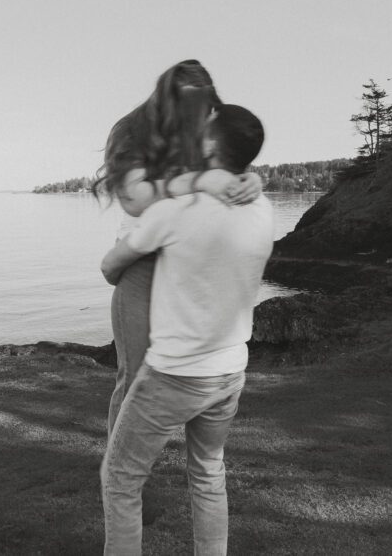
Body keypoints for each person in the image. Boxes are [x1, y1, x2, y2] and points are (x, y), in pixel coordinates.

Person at [99, 104, 274, 555]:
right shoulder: (265, 210)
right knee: (209, 471)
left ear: (212, 143)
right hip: (231, 369)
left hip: (176, 374)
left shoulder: (179, 210)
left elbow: (111, 267)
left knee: (119, 479)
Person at [94, 60, 262, 438]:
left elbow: (230, 164)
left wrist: (251, 179)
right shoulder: (132, 131)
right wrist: (201, 179)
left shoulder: (207, 125)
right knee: (136, 375)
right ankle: (119, 473)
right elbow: (134, 199)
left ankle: (190, 467)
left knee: (197, 373)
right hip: (144, 264)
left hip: (198, 263)